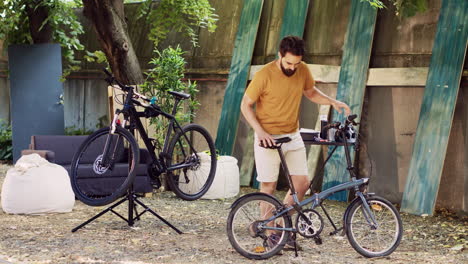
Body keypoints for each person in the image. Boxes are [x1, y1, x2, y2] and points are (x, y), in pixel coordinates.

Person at [240, 35, 351, 248]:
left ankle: (281, 226)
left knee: (302, 184)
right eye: (289, 63)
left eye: (297, 63)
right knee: (268, 186)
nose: (292, 67)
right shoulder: (264, 74)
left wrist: (332, 101)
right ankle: (272, 233)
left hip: (292, 135)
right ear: (280, 55)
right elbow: (246, 105)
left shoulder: (302, 69)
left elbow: (310, 91)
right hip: (268, 137)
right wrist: (260, 132)